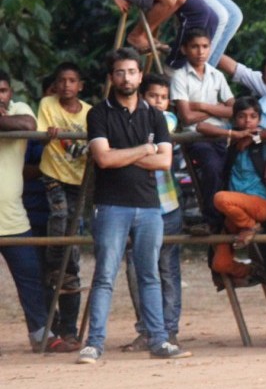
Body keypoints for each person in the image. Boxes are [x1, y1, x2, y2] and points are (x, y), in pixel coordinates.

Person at [78, 48, 191, 363]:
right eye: (119, 72)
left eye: (131, 71)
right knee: (105, 274)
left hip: (149, 207)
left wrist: (122, 154)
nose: (125, 78)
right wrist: (144, 149)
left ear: (140, 75)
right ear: (111, 76)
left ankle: (158, 340)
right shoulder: (98, 113)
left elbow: (165, 161)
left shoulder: (155, 115)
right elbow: (103, 158)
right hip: (111, 205)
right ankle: (95, 343)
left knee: (149, 274)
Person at [123, 73, 185, 349]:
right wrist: (144, 151)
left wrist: (127, 153)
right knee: (137, 271)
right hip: (135, 204)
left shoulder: (166, 121)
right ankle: (148, 329)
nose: (158, 103)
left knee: (167, 269)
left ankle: (168, 328)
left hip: (166, 206)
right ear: (142, 96)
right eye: (153, 97)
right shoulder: (128, 121)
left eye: (163, 98)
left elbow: (123, 151)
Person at [0, 70, 56, 353]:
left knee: (31, 280)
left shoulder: (19, 109)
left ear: (10, 93)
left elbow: (29, 124)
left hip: (13, 217)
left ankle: (40, 335)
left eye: (2, 91)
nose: (0, 96)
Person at [36, 63, 91, 350]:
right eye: (62, 81)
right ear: (55, 85)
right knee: (59, 217)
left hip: (77, 181)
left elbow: (88, 146)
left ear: (80, 85)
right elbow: (46, 131)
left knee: (73, 248)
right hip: (54, 176)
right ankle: (57, 256)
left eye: (72, 80)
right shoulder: (48, 104)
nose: (67, 85)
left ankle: (68, 328)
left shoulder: (90, 112)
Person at [199, 97, 266, 277]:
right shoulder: (231, 137)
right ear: (234, 119)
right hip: (235, 211)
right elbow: (201, 127)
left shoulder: (263, 137)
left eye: (253, 116)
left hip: (259, 204)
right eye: (242, 116)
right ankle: (254, 270)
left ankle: (252, 228)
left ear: (259, 120)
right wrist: (234, 135)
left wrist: (258, 136)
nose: (248, 121)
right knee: (220, 264)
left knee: (220, 198)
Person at [170, 27, 234, 231]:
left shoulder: (217, 75)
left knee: (233, 168)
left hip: (222, 135)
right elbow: (186, 116)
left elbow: (234, 109)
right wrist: (218, 109)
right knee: (212, 167)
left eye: (205, 46)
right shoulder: (179, 77)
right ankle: (212, 219)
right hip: (196, 137)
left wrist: (202, 106)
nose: (200, 51)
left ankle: (231, 217)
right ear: (184, 49)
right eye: (195, 47)